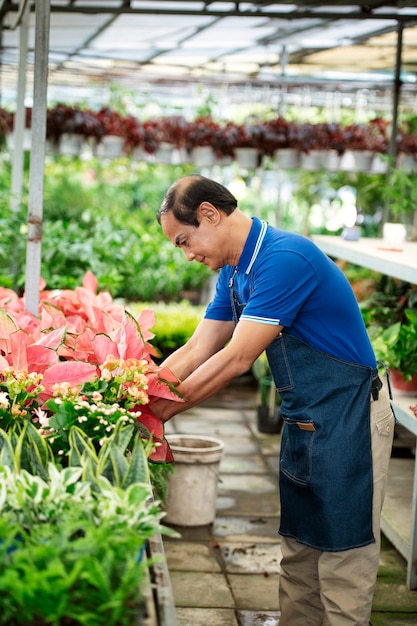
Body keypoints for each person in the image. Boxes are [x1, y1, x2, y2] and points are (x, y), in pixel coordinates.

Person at [149, 174, 395, 626]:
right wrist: (139, 395)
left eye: (185, 241)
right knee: (299, 553)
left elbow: (237, 357)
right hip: (307, 422)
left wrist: (161, 412)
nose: (186, 254)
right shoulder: (235, 271)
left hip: (350, 418)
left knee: (342, 559)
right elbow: (197, 348)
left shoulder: (284, 259)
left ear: (210, 214)